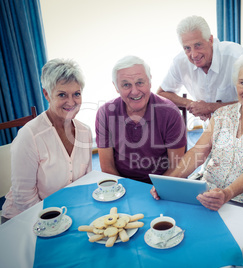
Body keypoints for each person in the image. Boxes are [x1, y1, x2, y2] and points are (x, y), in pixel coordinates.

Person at [151, 53, 243, 211]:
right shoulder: (222, 114)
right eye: (242, 83)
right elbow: (198, 152)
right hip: (205, 190)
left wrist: (226, 194)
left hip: (242, 201)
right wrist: (167, 182)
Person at [1, 59, 92, 223]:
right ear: (47, 94)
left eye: (76, 94)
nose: (71, 102)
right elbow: (24, 199)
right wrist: (57, 221)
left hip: (66, 214)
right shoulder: (29, 136)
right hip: (25, 219)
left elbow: (85, 182)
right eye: (62, 94)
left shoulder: (85, 132)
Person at [95, 56, 187, 184]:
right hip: (123, 185)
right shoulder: (104, 113)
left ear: (149, 82)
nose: (135, 91)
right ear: (116, 87)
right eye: (126, 85)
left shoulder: (170, 112)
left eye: (140, 82)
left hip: (163, 184)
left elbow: (176, 167)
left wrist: (156, 190)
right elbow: (107, 167)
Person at [157, 15, 243, 121]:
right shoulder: (180, 62)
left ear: (211, 40)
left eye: (198, 45)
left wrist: (209, 107)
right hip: (210, 128)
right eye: (187, 48)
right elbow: (161, 94)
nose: (193, 55)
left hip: (241, 124)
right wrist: (191, 104)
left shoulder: (236, 57)